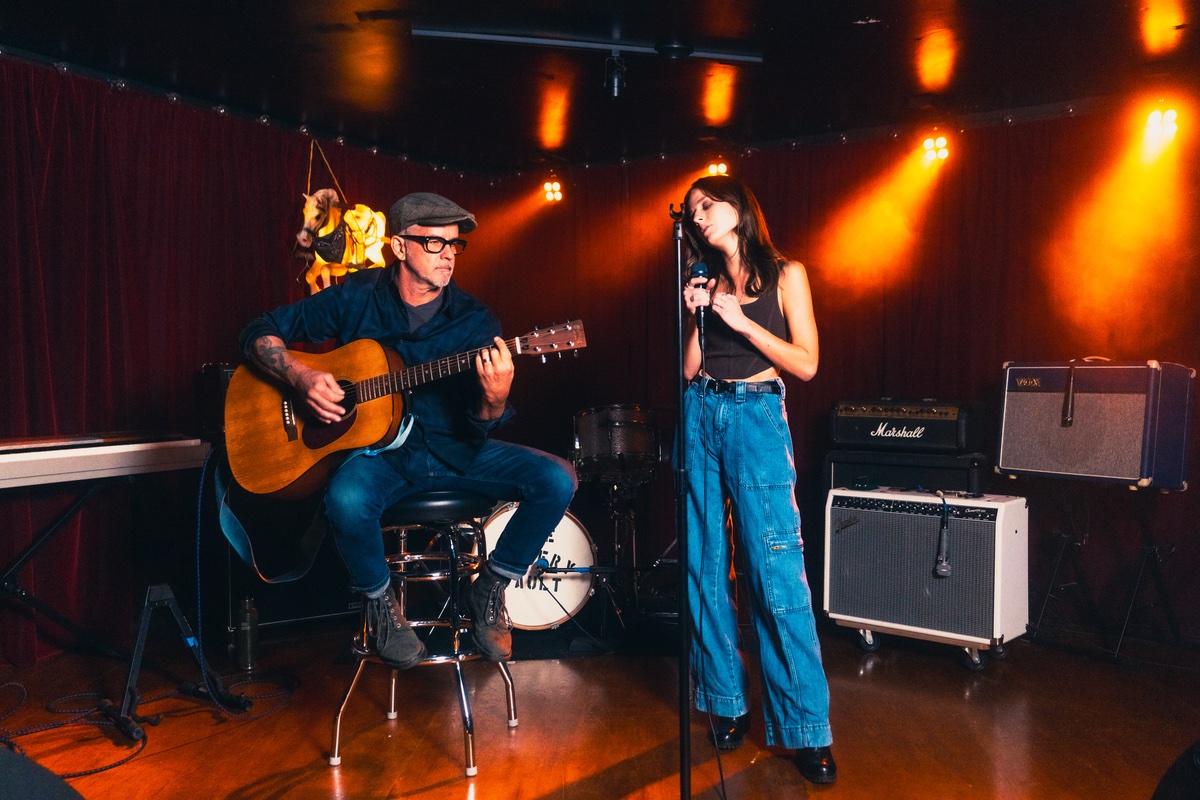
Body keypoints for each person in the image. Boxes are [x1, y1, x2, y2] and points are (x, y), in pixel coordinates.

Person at [238, 192, 577, 668]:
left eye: (455, 246)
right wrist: (301, 377)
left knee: (558, 478)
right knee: (347, 499)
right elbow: (260, 330)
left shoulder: (476, 321)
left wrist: (495, 398)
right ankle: (380, 605)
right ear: (399, 247)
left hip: (453, 449)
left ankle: (492, 586)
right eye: (435, 243)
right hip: (381, 458)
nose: (448, 256)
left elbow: (479, 423)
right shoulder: (356, 295)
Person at [680, 174, 836, 785]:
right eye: (692, 212)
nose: (697, 218)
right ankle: (725, 702)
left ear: (739, 207)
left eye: (707, 206)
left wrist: (742, 322)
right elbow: (690, 365)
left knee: (774, 570)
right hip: (701, 412)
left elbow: (806, 363)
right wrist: (697, 315)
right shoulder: (701, 279)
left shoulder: (786, 274)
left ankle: (806, 729)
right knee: (703, 565)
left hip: (757, 413)